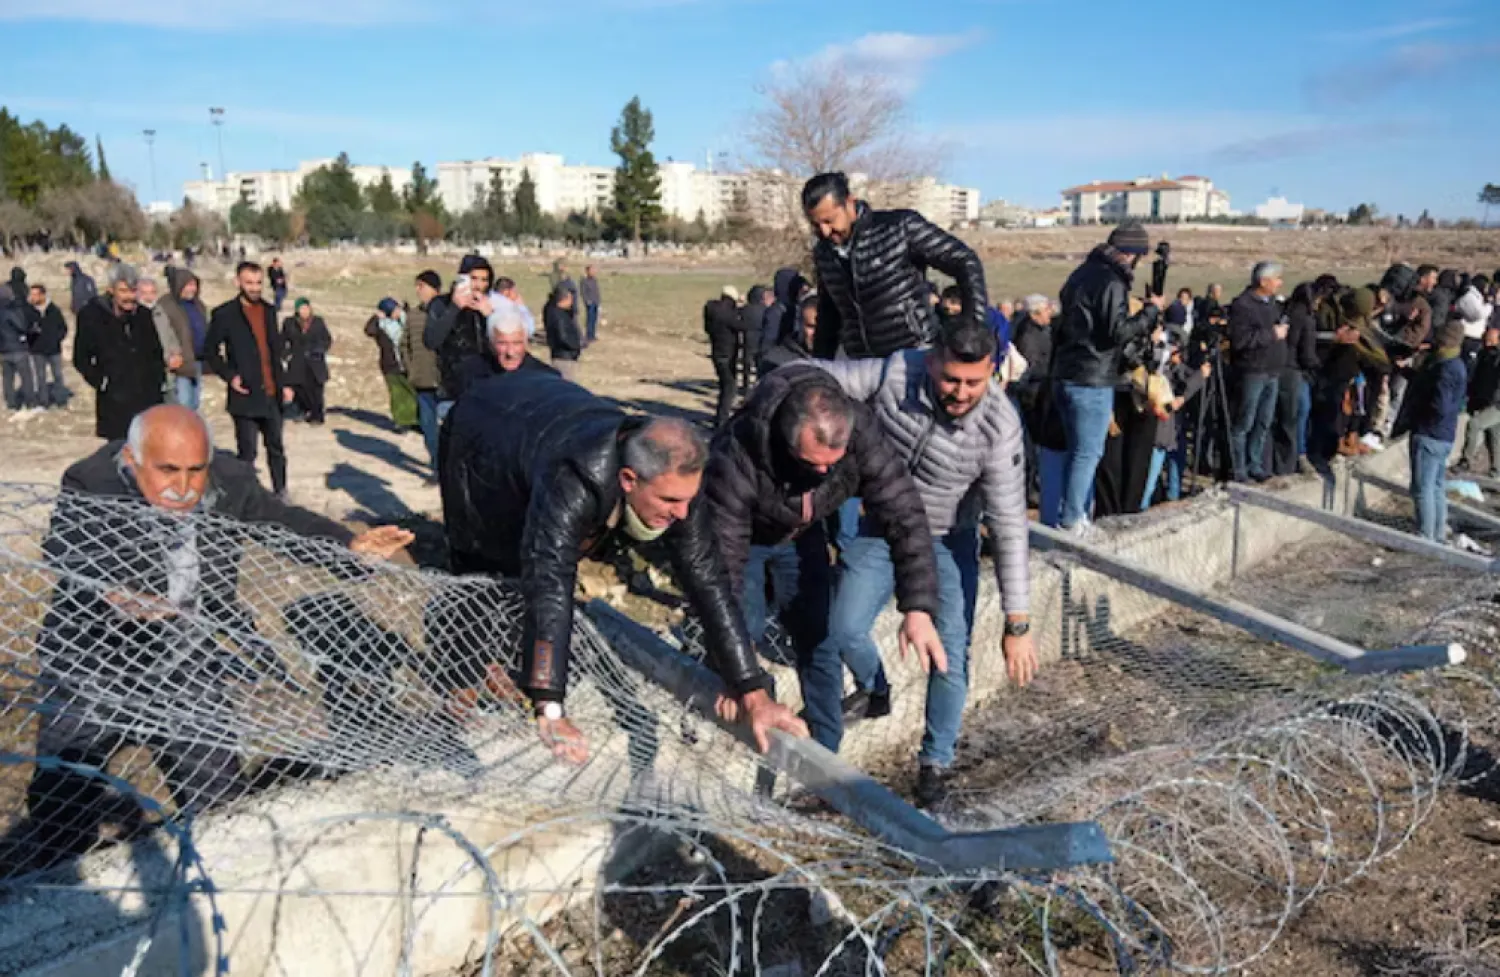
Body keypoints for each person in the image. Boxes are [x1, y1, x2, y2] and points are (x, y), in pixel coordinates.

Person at [12, 405, 411, 870]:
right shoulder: (91, 482)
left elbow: (280, 522)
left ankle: (216, 884)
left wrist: (347, 548)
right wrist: (110, 589)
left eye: (194, 471)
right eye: (167, 471)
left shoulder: (229, 480)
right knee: (66, 790)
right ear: (132, 458)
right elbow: (67, 547)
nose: (182, 487)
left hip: (183, 658)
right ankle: (61, 890)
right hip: (96, 659)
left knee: (218, 794)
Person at [440, 370, 806, 762]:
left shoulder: (677, 480)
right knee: (488, 564)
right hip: (483, 431)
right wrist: (550, 704)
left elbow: (707, 578)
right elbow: (550, 579)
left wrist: (751, 690)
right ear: (629, 480)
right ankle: (461, 675)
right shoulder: (575, 478)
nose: (683, 514)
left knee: (540, 566)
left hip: (547, 415)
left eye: (688, 500)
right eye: (669, 501)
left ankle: (512, 660)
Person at [807, 320, 1037, 806]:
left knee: (949, 653)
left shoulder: (1000, 425)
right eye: (951, 379)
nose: (960, 392)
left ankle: (935, 762)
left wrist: (1018, 622)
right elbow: (824, 377)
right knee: (843, 624)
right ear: (931, 361)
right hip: (885, 526)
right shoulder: (896, 373)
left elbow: (1010, 523)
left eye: (974, 381)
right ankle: (876, 689)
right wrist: (776, 386)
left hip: (948, 540)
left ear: (992, 371)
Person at [703, 363, 945, 756]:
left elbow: (903, 512)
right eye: (811, 463)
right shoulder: (736, 455)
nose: (823, 472)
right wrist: (739, 675)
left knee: (819, 638)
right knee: (743, 627)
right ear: (784, 438)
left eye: (832, 465)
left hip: (802, 533)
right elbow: (721, 568)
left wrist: (918, 605)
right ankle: (751, 724)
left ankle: (824, 752)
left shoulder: (861, 431)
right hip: (746, 539)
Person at [1048, 221, 1164, 531]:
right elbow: (1118, 332)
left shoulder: (1080, 274)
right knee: (1088, 453)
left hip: (1066, 373)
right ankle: (1073, 520)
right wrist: (1150, 313)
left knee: (1075, 452)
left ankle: (1073, 512)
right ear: (1132, 254)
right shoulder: (1112, 282)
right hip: (1092, 377)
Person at [803, 171, 988, 359]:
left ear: (850, 202)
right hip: (861, 364)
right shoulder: (823, 253)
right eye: (816, 225)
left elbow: (964, 260)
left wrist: (974, 331)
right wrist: (820, 364)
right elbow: (829, 314)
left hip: (914, 353)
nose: (825, 231)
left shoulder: (900, 227)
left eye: (829, 220)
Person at [204, 261, 294, 496]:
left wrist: (284, 384)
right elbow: (210, 352)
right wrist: (230, 376)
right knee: (247, 453)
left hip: (272, 393)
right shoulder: (224, 314)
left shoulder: (269, 310)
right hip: (245, 394)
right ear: (237, 283)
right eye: (249, 283)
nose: (254, 288)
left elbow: (275, 351)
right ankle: (247, 499)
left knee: (276, 448)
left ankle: (280, 493)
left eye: (258, 283)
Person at [74, 264, 165, 440]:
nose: (129, 297)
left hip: (147, 396)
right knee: (118, 452)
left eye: (132, 291)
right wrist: (102, 381)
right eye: (123, 291)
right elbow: (81, 357)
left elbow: (156, 352)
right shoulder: (92, 315)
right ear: (111, 289)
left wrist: (158, 379)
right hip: (114, 398)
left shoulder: (143, 315)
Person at [1404, 321, 1467, 543]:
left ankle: (1425, 536)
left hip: (1429, 433)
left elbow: (1439, 405)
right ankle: (1438, 533)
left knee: (1422, 489)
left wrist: (1419, 411)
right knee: (1437, 486)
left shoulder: (1444, 369)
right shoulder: (1457, 364)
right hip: (1444, 435)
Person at [1227, 261, 1288, 483]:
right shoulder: (1243, 305)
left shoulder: (1273, 304)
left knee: (1264, 421)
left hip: (1272, 371)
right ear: (1263, 281)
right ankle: (1239, 468)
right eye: (1277, 279)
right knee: (1244, 422)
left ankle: (1255, 464)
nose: (1280, 283)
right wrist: (1272, 334)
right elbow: (1241, 340)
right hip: (1253, 371)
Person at [424, 255, 494, 406]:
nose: (479, 285)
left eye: (484, 280)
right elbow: (431, 340)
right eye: (474, 278)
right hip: (452, 388)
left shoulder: (492, 305)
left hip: (487, 385)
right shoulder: (441, 304)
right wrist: (454, 308)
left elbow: (504, 344)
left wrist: (490, 317)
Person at [454, 296, 555, 393]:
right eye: (502, 343)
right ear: (490, 343)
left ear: (526, 343)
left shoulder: (545, 377)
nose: (510, 352)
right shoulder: (470, 373)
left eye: (516, 343)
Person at [402, 272, 447, 476]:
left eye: (421, 286)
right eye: (416, 286)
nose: (418, 290)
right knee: (428, 429)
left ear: (434, 288)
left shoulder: (448, 311)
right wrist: (411, 368)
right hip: (422, 380)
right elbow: (404, 345)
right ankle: (437, 468)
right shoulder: (413, 314)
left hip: (446, 382)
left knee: (450, 428)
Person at [1277, 282, 1321, 475]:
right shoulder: (1307, 319)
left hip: (1277, 367)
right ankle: (1298, 456)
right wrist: (1318, 367)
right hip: (1296, 371)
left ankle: (1282, 460)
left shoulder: (1285, 313)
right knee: (1299, 413)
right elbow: (1307, 352)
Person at [156, 268, 209, 411]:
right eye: (188, 285)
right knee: (182, 406)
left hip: (196, 362)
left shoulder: (198, 305)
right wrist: (170, 357)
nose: (192, 289)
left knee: (194, 405)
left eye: (194, 285)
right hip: (178, 365)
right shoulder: (166, 305)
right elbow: (164, 333)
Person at [366, 298, 418, 428]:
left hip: (408, 362)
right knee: (398, 393)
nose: (398, 312)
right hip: (390, 364)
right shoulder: (381, 326)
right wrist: (376, 317)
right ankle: (402, 422)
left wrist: (404, 307)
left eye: (398, 309)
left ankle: (416, 420)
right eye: (395, 310)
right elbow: (369, 330)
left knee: (413, 392)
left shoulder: (405, 322)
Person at [281, 298, 332, 424]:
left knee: (316, 389)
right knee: (299, 387)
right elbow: (282, 339)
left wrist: (319, 350)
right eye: (301, 308)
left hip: (315, 360)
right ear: (297, 310)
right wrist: (285, 354)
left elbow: (327, 339)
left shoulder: (318, 322)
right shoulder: (289, 322)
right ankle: (301, 411)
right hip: (297, 359)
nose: (304, 311)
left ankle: (317, 415)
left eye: (306, 308)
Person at [1461, 318, 1500, 478]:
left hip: (1497, 404)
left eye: (1491, 338)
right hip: (1484, 400)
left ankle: (1465, 461)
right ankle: (1496, 470)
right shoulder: (1484, 354)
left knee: (1475, 425)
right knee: (1494, 435)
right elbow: (1477, 377)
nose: (1487, 340)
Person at [137, 277, 185, 405]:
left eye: (152, 292)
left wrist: (176, 354)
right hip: (146, 378)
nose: (148, 297)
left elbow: (170, 336)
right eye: (144, 293)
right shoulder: (133, 316)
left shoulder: (160, 312)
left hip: (168, 375)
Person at [704, 285, 746, 426]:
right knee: (730, 389)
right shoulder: (729, 315)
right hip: (728, 354)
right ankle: (721, 421)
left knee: (724, 387)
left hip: (716, 353)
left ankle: (719, 417)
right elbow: (742, 326)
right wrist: (743, 308)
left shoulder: (711, 310)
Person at [26, 283, 70, 407]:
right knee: (40, 377)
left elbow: (63, 328)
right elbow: (24, 327)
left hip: (53, 349)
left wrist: (56, 339)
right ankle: (43, 402)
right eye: (31, 294)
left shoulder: (54, 310)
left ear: (42, 295)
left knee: (58, 375)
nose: (32, 297)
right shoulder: (29, 311)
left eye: (35, 295)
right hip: (37, 349)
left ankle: (61, 400)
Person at [761, 294, 818, 372]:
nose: (818, 333)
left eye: (824, 328)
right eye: (811, 327)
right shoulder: (776, 362)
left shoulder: (837, 361)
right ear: (800, 324)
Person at [0, 285, 35, 411]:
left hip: (3, 351)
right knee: (26, 377)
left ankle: (11, 403)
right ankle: (30, 402)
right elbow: (21, 326)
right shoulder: (11, 310)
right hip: (17, 348)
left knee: (7, 379)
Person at [543, 283, 582, 381]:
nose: (572, 302)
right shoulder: (559, 317)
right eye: (570, 299)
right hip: (564, 356)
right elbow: (563, 336)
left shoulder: (554, 311)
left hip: (562, 354)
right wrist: (575, 345)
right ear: (563, 300)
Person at [581, 265, 602, 345]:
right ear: (587, 271)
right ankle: (588, 336)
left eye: (594, 270)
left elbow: (597, 291)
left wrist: (599, 301)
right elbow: (583, 292)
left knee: (594, 319)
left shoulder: (594, 280)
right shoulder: (584, 280)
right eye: (592, 270)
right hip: (590, 303)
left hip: (595, 302)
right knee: (590, 319)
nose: (593, 272)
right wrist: (587, 301)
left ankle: (593, 335)